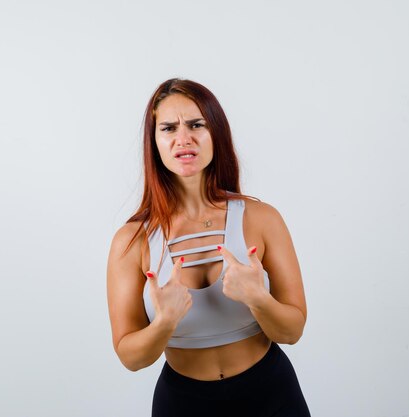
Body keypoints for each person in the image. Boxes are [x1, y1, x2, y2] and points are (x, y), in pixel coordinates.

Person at [106, 78, 311, 416]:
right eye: (169, 128)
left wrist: (258, 299)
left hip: (271, 395)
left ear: (216, 132)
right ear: (154, 142)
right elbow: (131, 357)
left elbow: (292, 331)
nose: (182, 139)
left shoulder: (261, 219)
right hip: (184, 403)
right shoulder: (132, 241)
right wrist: (164, 323)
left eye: (196, 124)